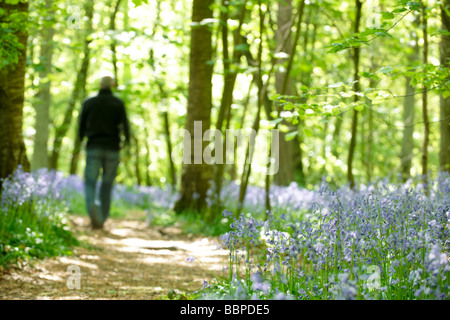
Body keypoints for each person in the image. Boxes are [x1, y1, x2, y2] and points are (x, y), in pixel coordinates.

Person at [78, 75, 130, 230]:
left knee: (90, 182)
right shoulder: (118, 103)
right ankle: (101, 218)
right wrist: (127, 143)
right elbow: (125, 126)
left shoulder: (89, 102)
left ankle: (93, 209)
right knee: (107, 184)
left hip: (93, 146)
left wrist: (80, 141)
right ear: (113, 85)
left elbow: (81, 125)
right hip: (113, 148)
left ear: (100, 84)